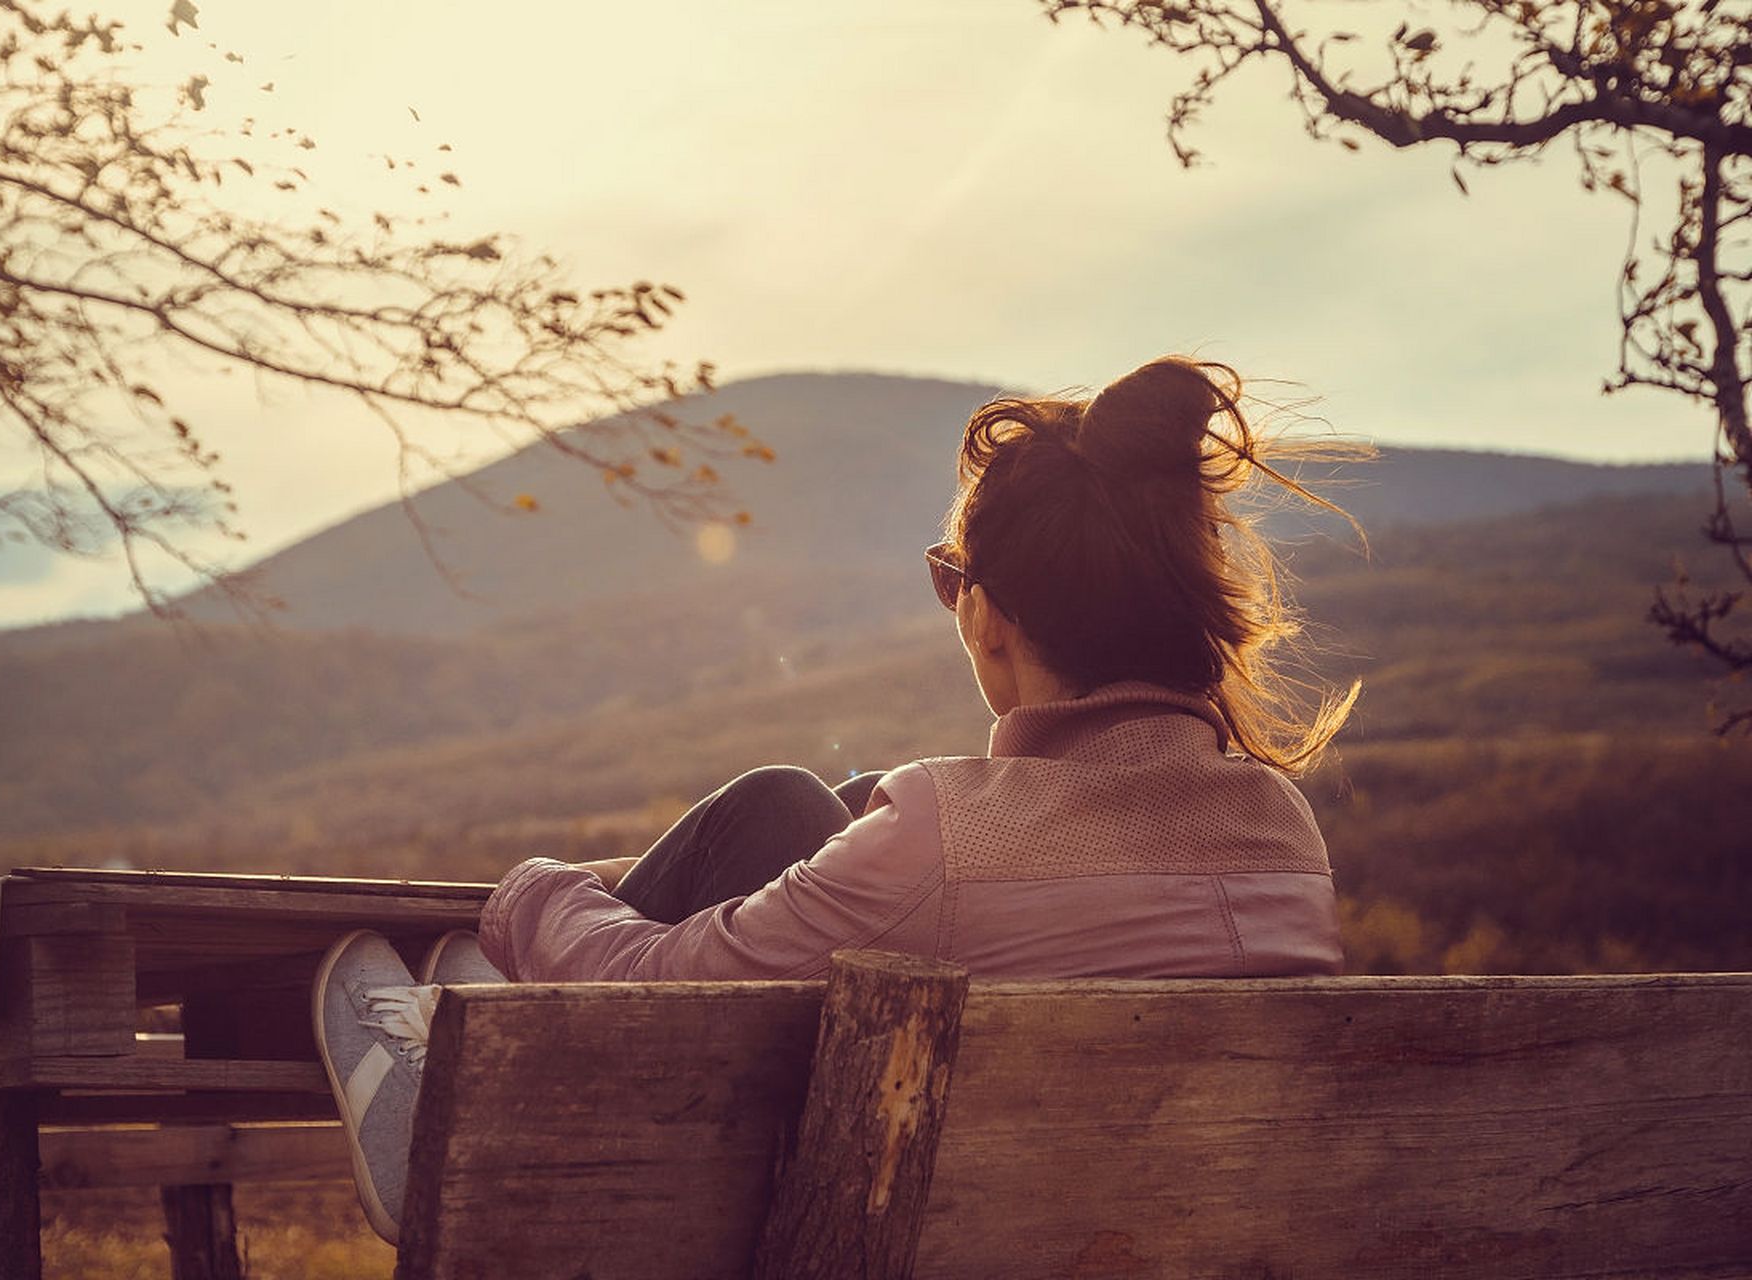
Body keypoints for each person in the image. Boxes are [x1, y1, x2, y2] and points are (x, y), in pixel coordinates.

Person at [312, 355, 1362, 1243]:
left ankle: (447, 1099)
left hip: (866, 1247)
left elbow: (659, 983)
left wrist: (532, 891)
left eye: (952, 581)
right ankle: (463, 1021)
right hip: (1156, 1239)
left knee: (738, 844)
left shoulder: (940, 838)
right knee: (798, 804)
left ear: (988, 615)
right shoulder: (1282, 829)